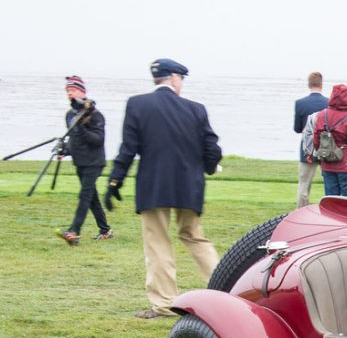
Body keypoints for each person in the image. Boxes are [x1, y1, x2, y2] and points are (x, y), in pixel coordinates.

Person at [106, 58, 222, 320]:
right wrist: (210, 166)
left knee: (157, 242)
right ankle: (225, 287)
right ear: (174, 78)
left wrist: (115, 180)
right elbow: (212, 147)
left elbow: (128, 148)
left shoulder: (138, 104)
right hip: (189, 186)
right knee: (194, 236)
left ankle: (165, 303)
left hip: (154, 185)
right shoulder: (196, 109)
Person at [55, 75, 111, 245]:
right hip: (80, 161)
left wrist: (81, 128)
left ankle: (74, 231)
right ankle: (106, 230)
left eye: (72, 90)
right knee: (91, 197)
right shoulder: (69, 115)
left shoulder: (95, 115)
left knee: (85, 196)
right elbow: (74, 140)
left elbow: (98, 140)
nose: (69, 94)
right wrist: (64, 151)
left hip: (94, 162)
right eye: (67, 91)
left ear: (82, 92)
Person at [311, 83, 347, 199]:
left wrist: (323, 156)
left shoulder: (322, 115)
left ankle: (331, 218)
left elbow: (316, 140)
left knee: (331, 201)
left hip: (328, 163)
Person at [293, 71, 328, 208]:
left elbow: (297, 128)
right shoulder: (329, 103)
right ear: (321, 84)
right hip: (326, 147)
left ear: (309, 84)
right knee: (329, 182)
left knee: (304, 184)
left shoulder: (300, 103)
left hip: (306, 148)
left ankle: (300, 210)